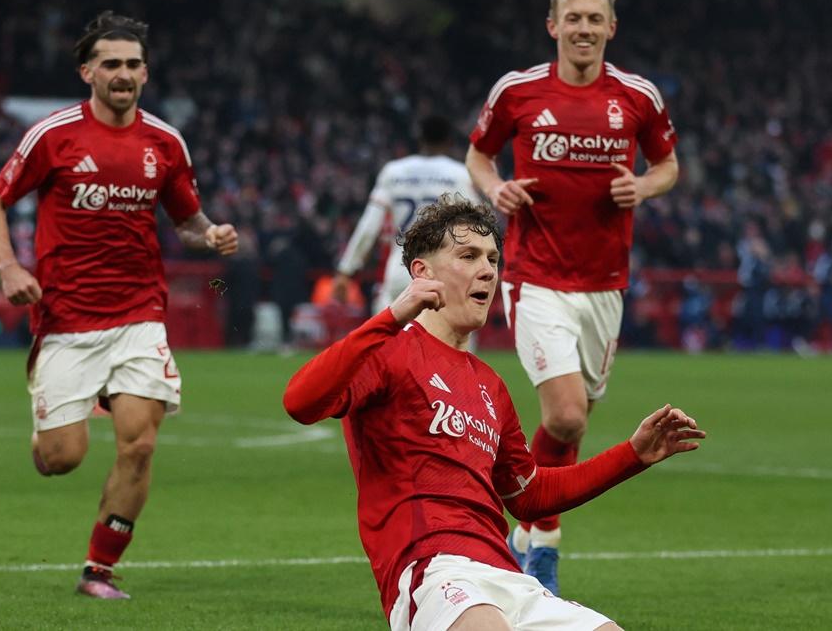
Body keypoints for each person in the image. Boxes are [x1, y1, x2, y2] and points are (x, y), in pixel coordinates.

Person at [284, 196, 704, 631]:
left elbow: (529, 494)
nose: (488, 270)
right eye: (468, 256)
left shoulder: (490, 384)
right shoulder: (386, 350)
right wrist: (390, 316)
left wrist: (631, 455)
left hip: (508, 577)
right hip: (433, 571)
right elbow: (300, 401)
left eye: (492, 259)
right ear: (422, 273)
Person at [0, 11, 238, 599]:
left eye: (133, 64)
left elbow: (187, 221)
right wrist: (10, 268)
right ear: (87, 71)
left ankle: (98, 569)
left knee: (140, 443)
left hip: (140, 313)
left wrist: (211, 233)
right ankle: (49, 431)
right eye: (111, 63)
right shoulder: (53, 136)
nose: (123, 74)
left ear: (146, 73)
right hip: (66, 318)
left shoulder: (165, 142)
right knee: (61, 458)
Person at [465, 0, 680, 593]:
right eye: (573, 18)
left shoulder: (638, 97)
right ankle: (546, 551)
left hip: (605, 283)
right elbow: (480, 154)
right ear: (553, 25)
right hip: (535, 275)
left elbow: (668, 165)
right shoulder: (519, 91)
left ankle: (518, 531)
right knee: (564, 416)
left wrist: (642, 185)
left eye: (594, 19)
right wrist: (495, 188)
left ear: (610, 27)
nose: (583, 29)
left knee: (574, 421)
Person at [333, 115, 480, 314]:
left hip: (402, 268)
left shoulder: (394, 172)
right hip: (443, 270)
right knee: (449, 341)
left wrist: (346, 270)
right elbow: (477, 227)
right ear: (449, 141)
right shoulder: (458, 174)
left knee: (394, 339)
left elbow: (368, 227)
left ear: (420, 139)